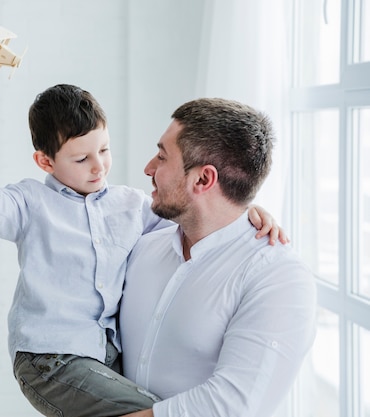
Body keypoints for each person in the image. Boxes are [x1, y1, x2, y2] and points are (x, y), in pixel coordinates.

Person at [0, 67, 286, 417]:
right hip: (50, 359)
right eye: (82, 159)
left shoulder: (131, 205)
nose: (98, 167)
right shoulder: (30, 203)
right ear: (45, 161)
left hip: (105, 356)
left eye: (104, 150)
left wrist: (246, 210)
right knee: (157, 412)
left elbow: (197, 215)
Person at [119, 98, 316, 417]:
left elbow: (231, 405)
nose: (148, 168)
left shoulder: (279, 278)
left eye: (162, 156)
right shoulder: (142, 245)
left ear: (203, 180)